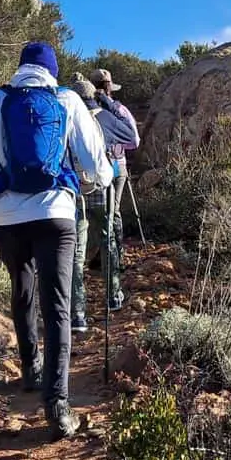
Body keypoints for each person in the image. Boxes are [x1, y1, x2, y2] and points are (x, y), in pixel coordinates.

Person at [0, 42, 113, 439]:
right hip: (56, 213)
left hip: (6, 217)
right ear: (52, 72)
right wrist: (99, 179)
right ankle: (58, 406)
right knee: (57, 304)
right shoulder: (67, 100)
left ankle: (30, 370)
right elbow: (98, 167)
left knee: (21, 286)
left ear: (20, 68)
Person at [67, 75, 122, 333]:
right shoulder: (103, 117)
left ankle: (77, 314)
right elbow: (130, 137)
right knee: (107, 239)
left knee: (76, 253)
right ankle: (114, 296)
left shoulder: (65, 118)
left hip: (74, 192)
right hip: (100, 187)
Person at [86, 68, 140, 297]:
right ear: (108, 86)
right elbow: (133, 140)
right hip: (113, 165)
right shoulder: (117, 109)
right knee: (109, 211)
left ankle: (112, 256)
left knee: (109, 210)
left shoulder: (106, 110)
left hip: (111, 167)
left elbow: (133, 139)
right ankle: (109, 256)